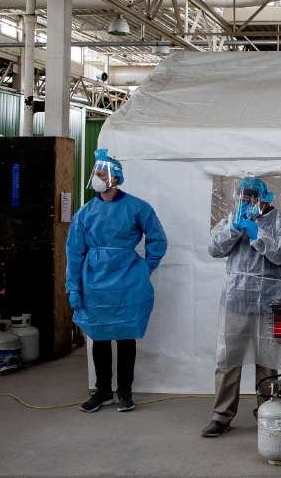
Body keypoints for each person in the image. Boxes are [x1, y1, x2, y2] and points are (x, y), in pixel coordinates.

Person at [65, 148, 167, 413]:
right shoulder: (85, 213)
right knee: (99, 337)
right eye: (95, 174)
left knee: (125, 336)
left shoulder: (137, 208)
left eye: (101, 174)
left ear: (115, 177)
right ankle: (102, 391)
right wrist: (73, 287)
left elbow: (157, 239)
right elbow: (74, 252)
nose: (97, 179)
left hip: (127, 279)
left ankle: (124, 391)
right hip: (94, 281)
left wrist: (145, 267)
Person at [202, 176, 281, 438]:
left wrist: (258, 234)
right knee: (227, 360)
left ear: (263, 198)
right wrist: (235, 228)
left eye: (250, 198)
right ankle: (221, 416)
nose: (245, 202)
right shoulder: (233, 219)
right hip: (236, 301)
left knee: (269, 361)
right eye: (242, 198)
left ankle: (268, 411)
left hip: (271, 301)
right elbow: (214, 248)